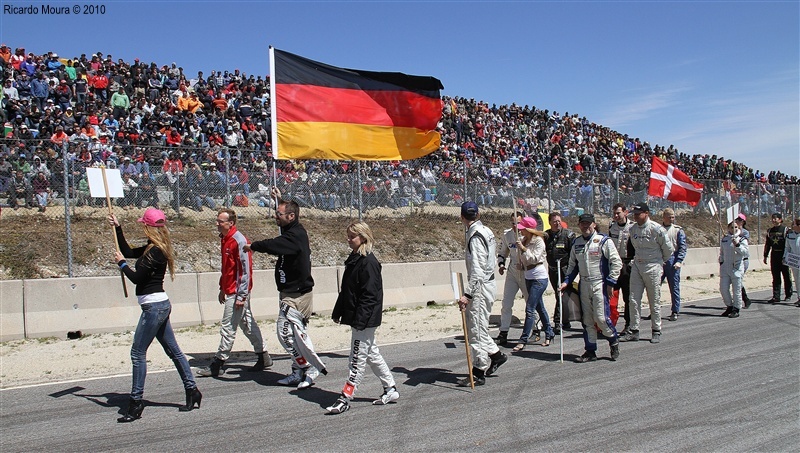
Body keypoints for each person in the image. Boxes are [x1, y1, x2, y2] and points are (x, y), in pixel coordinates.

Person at [109, 209, 201, 423]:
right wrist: (117, 227)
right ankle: (192, 390)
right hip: (157, 306)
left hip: (154, 307)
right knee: (174, 351)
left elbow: (137, 277)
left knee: (137, 352)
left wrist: (122, 264)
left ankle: (136, 402)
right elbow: (128, 251)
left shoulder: (156, 251)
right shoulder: (151, 248)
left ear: (149, 227)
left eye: (144, 224)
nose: (142, 227)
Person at [244, 187, 327, 389]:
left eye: (278, 214)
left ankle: (309, 366)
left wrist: (253, 246)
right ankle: (299, 370)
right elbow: (283, 228)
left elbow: (274, 245)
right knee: (295, 335)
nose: (275, 217)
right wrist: (278, 199)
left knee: (286, 333)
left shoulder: (295, 236)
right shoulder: (291, 230)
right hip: (288, 292)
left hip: (298, 296)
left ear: (291, 216)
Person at [325, 222, 399, 414]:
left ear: (363, 238)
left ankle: (345, 397)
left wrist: (360, 321)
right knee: (372, 354)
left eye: (352, 237)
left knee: (356, 359)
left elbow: (370, 297)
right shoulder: (355, 259)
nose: (348, 240)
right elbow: (347, 290)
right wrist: (338, 311)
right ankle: (390, 388)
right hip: (357, 316)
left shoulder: (369, 263)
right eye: (348, 236)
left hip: (364, 320)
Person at [197, 209, 271, 377]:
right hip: (230, 289)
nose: (217, 223)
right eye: (217, 220)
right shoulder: (225, 239)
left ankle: (218, 363)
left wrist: (241, 295)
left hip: (238, 291)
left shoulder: (239, 240)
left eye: (220, 221)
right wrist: (222, 287)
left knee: (228, 325)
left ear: (230, 223)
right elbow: (227, 268)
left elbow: (246, 270)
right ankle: (263, 356)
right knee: (247, 324)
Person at [456, 202, 507, 387]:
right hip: (488, 282)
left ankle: (478, 371)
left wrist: (468, 294)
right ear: (477, 214)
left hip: (480, 285)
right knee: (479, 326)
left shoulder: (476, 236)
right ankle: (497, 355)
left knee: (476, 330)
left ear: (462, 217)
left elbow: (477, 270)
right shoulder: (486, 230)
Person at [561, 213, 622, 362]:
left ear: (594, 224)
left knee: (600, 318)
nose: (585, 226)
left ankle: (613, 340)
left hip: (600, 283)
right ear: (579, 225)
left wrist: (610, 283)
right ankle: (590, 351)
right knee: (587, 320)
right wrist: (566, 281)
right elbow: (572, 266)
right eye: (583, 223)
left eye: (588, 223)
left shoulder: (603, 241)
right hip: (584, 284)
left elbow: (617, 263)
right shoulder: (577, 243)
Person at [621, 203, 673, 344]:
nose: (636, 216)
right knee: (633, 299)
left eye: (639, 213)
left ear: (646, 213)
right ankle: (634, 330)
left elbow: (668, 249)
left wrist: (659, 262)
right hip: (637, 265)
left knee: (654, 300)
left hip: (653, 266)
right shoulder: (632, 229)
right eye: (635, 214)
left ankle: (656, 330)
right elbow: (631, 247)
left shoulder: (657, 229)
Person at [512, 216, 555, 352]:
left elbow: (535, 258)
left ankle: (523, 339)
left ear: (529, 229)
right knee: (539, 307)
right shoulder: (524, 240)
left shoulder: (539, 242)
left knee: (529, 308)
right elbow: (525, 260)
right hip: (528, 276)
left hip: (539, 278)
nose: (521, 232)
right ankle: (549, 333)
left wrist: (524, 249)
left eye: (523, 229)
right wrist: (521, 264)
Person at [494, 211, 529, 346]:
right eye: (513, 223)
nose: (515, 226)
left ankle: (535, 330)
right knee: (506, 303)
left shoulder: (528, 234)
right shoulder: (507, 234)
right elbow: (503, 252)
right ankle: (503, 332)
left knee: (530, 303)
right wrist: (501, 264)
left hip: (526, 271)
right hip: (513, 271)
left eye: (518, 223)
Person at [544, 211, 576, 334]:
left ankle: (558, 322)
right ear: (550, 223)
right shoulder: (546, 235)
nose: (557, 224)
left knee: (561, 294)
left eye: (559, 221)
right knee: (561, 295)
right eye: (554, 222)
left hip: (565, 269)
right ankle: (566, 319)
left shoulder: (568, 235)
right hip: (552, 270)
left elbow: (574, 254)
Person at [608, 203, 635, 335]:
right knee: (610, 295)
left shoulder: (633, 227)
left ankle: (629, 324)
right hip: (614, 264)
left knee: (628, 297)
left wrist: (632, 263)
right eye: (614, 213)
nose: (616, 216)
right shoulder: (612, 227)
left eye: (618, 213)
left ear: (625, 212)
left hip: (628, 263)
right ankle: (609, 323)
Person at [661, 208, 687, 321]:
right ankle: (655, 310)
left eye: (673, 217)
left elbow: (682, 247)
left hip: (672, 260)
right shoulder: (658, 229)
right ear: (664, 217)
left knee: (674, 287)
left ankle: (675, 310)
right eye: (669, 217)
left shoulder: (677, 230)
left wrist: (679, 261)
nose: (671, 219)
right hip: (660, 260)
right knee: (655, 287)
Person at [720, 221, 749, 318]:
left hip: (736, 267)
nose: (734, 229)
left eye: (736, 227)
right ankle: (729, 306)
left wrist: (737, 245)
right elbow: (722, 252)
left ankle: (736, 308)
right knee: (723, 289)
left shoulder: (742, 239)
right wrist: (721, 261)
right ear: (728, 228)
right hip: (725, 268)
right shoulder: (724, 239)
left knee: (736, 290)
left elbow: (745, 253)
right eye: (732, 227)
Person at [764, 213, 793, 303]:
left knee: (786, 276)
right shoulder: (770, 231)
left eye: (775, 218)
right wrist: (765, 255)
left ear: (780, 219)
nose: (773, 220)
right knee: (775, 276)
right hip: (774, 254)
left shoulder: (785, 230)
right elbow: (768, 244)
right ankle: (776, 296)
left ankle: (788, 294)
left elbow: (789, 244)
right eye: (772, 218)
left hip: (783, 254)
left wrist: (789, 255)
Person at [782, 218, 800, 307]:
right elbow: (787, 248)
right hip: (795, 261)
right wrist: (785, 257)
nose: (793, 226)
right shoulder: (790, 235)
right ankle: (799, 297)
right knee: (797, 279)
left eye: (795, 224)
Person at [735, 214, 752, 306]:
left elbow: (741, 238)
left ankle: (744, 299)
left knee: (738, 280)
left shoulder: (745, 232)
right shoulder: (732, 231)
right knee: (736, 281)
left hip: (743, 260)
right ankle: (744, 299)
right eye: (736, 219)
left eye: (740, 220)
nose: (737, 221)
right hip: (734, 258)